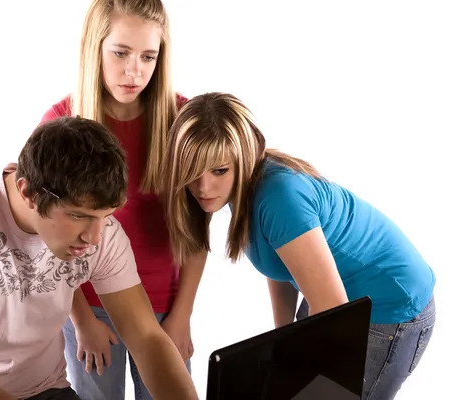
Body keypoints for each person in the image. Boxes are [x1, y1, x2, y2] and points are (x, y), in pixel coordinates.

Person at [160, 92, 437, 400]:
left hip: (389, 305)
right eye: (192, 171)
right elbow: (281, 265)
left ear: (245, 158)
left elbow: (333, 309)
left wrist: (295, 363)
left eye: (219, 170)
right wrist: (283, 337)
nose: (203, 187)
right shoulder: (245, 189)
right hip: (341, 295)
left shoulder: (279, 197)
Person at [0, 117, 198, 400]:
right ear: (28, 192)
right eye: (78, 216)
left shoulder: (102, 233)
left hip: (45, 391)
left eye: (105, 216)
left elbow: (147, 338)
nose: (94, 237)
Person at [40, 1, 206, 399]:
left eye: (148, 56)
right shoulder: (60, 123)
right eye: (120, 53)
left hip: (165, 306)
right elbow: (46, 236)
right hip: (91, 305)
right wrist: (80, 319)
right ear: (94, 47)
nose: (135, 71)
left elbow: (198, 226)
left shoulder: (182, 120)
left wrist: (182, 315)